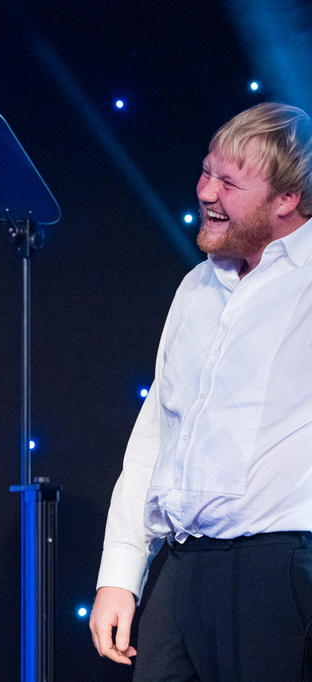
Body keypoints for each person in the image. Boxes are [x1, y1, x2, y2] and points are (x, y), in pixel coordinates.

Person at [90, 102, 312, 681]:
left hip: (277, 568)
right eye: (206, 171)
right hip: (183, 567)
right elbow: (156, 436)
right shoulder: (197, 286)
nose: (206, 192)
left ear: (287, 199)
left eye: (229, 183)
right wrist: (121, 574)